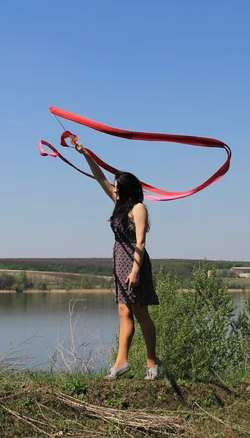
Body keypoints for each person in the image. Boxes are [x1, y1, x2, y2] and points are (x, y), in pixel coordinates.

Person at [74, 141, 161, 381]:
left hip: (135, 263)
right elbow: (99, 177)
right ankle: (121, 363)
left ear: (127, 188)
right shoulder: (119, 204)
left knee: (140, 312)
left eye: (118, 187)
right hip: (119, 261)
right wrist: (85, 154)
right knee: (124, 312)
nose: (115, 190)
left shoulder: (139, 208)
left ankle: (152, 362)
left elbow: (141, 242)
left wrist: (135, 271)